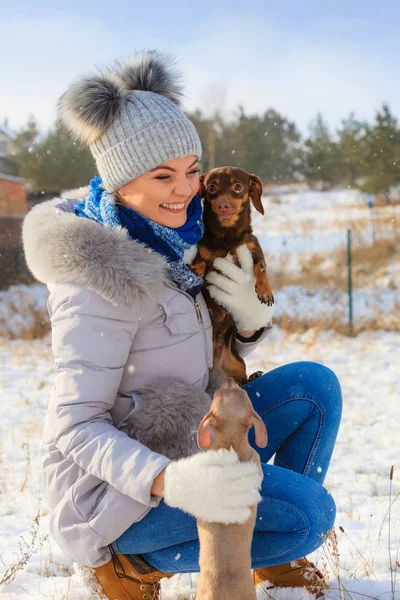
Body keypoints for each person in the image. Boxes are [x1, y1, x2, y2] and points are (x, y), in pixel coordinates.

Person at [23, 51, 342, 600]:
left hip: (192, 429)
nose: (185, 189)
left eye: (192, 170)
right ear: (120, 182)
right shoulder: (96, 281)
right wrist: (170, 479)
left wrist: (247, 322)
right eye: (163, 175)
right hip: (118, 496)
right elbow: (76, 427)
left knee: (315, 388)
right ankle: (130, 565)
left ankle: (265, 550)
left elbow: (201, 345)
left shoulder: (177, 243)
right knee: (309, 514)